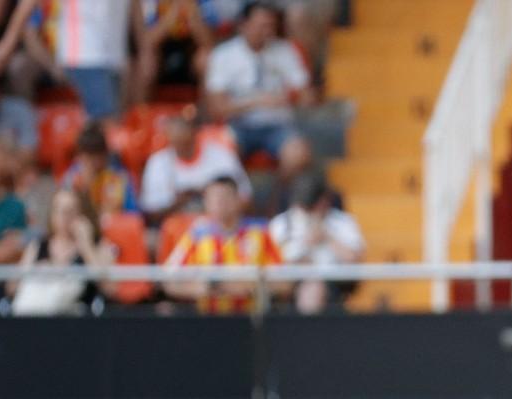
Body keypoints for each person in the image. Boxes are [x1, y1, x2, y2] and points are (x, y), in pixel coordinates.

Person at [204, 1, 314, 171]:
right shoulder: (223, 55)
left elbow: (306, 94)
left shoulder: (285, 50)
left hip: (278, 125)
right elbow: (216, 108)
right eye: (262, 26)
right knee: (222, 150)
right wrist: (257, 102)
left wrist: (292, 96)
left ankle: (277, 198)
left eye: (271, 26)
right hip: (238, 125)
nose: (268, 31)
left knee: (298, 154)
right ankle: (236, 195)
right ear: (243, 25)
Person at [0, 0, 146, 120]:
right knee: (104, 124)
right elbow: (28, 6)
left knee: (114, 123)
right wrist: (8, 42)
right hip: (85, 56)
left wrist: (144, 50)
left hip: (116, 57)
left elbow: (135, 7)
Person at [163, 175, 285, 313]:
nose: (218, 203)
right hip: (209, 320)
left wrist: (251, 286)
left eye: (224, 197)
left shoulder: (260, 233)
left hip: (252, 320)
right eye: (212, 199)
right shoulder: (197, 236)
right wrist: (208, 287)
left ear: (238, 200)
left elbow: (285, 283)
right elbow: (169, 282)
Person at [7, 189, 115, 315]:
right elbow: (12, 288)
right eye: (58, 210)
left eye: (70, 211)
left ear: (82, 214)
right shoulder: (38, 246)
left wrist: (86, 246)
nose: (64, 217)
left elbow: (110, 288)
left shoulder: (98, 245)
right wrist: (38, 272)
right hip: (35, 318)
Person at [268, 173, 364, 313]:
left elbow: (355, 260)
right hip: (289, 283)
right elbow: (271, 264)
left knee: (314, 287)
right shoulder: (281, 223)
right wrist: (303, 251)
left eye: (312, 207)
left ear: (324, 202)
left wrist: (327, 238)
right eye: (304, 207)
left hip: (334, 283)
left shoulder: (342, 221)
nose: (307, 212)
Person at [140, 113, 251, 224]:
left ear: (195, 133)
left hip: (218, 227)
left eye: (185, 142)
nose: (180, 147)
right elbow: (150, 214)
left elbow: (245, 200)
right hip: (175, 229)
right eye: (175, 142)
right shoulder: (158, 162)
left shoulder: (222, 155)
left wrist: (210, 197)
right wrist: (179, 202)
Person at [60, 121, 137, 220]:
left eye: (99, 158)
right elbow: (63, 213)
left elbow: (133, 216)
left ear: (106, 155)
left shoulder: (120, 178)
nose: (95, 164)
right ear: (80, 157)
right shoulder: (71, 179)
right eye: (89, 159)